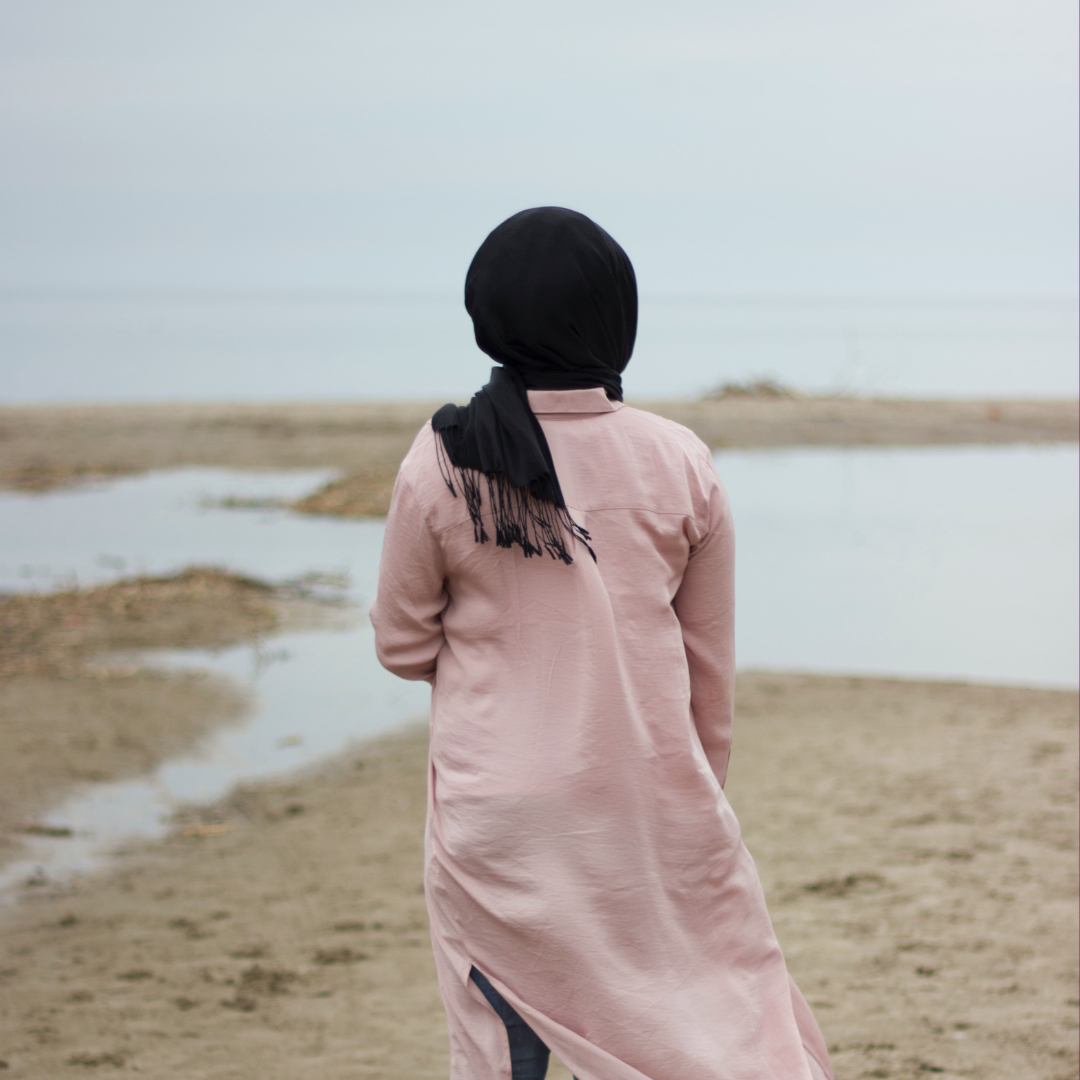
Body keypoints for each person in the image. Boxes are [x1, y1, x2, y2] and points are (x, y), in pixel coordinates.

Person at [370, 207, 833, 1080]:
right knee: (708, 1015)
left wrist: (499, 655)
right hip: (645, 799)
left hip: (498, 814)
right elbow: (708, 669)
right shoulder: (679, 459)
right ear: (617, 314)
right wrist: (690, 798)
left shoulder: (442, 458)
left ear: (489, 313)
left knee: (511, 1042)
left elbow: (400, 644)